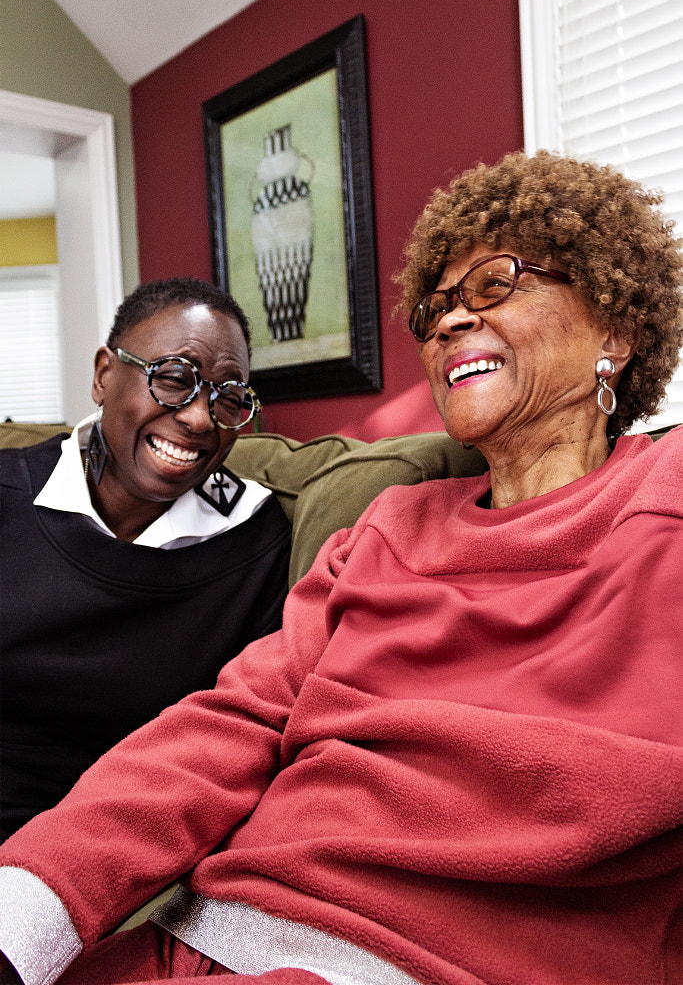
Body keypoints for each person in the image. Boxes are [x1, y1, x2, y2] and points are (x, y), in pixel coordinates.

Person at [1, 151, 682, 985]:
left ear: (614, 327)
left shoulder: (665, 500)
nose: (448, 323)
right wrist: (25, 911)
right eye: (437, 306)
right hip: (210, 937)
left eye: (494, 285)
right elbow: (228, 726)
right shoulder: (390, 525)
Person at [0, 277, 291, 840]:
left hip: (115, 850)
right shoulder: (7, 494)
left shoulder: (254, 544)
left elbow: (239, 743)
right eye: (176, 378)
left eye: (229, 396)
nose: (202, 419)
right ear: (104, 375)